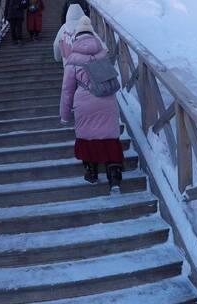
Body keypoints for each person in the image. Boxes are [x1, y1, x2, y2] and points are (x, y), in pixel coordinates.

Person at [59, 16, 124, 192]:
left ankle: (92, 171)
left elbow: (67, 91)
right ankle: (115, 175)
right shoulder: (103, 53)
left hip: (84, 102)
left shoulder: (72, 60)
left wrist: (65, 116)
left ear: (76, 37)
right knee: (110, 137)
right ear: (92, 34)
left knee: (87, 137)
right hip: (107, 100)